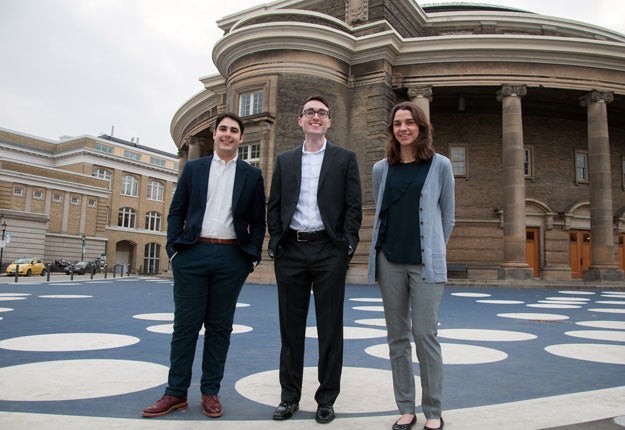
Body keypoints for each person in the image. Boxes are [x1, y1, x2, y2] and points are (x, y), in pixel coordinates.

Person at [142, 112, 266, 419]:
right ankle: (175, 393)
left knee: (219, 329)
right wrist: (174, 250)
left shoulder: (251, 175)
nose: (228, 134)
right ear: (214, 133)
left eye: (234, 131)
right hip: (192, 255)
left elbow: (257, 221)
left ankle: (210, 392)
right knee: (185, 327)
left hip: (231, 257)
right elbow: (176, 211)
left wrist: (250, 257)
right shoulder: (194, 169)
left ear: (241, 138)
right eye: (223, 129)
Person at [267, 95, 362, 424]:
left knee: (330, 328)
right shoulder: (285, 160)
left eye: (322, 113)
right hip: (291, 250)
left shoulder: (344, 159)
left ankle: (326, 399)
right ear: (301, 120)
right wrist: (276, 242)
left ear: (329, 121)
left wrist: (347, 245)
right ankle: (288, 397)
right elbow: (274, 204)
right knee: (290, 329)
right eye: (310, 112)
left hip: (328, 251)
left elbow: (354, 207)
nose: (316, 117)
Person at [367, 101, 454, 430]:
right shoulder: (381, 169)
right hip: (389, 261)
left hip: (425, 265)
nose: (403, 128)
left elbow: (448, 216)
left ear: (421, 127)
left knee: (425, 335)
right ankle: (406, 407)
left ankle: (433, 410)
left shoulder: (440, 165)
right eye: (397, 123)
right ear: (392, 129)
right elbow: (382, 212)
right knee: (397, 338)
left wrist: (434, 250)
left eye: (409, 122)